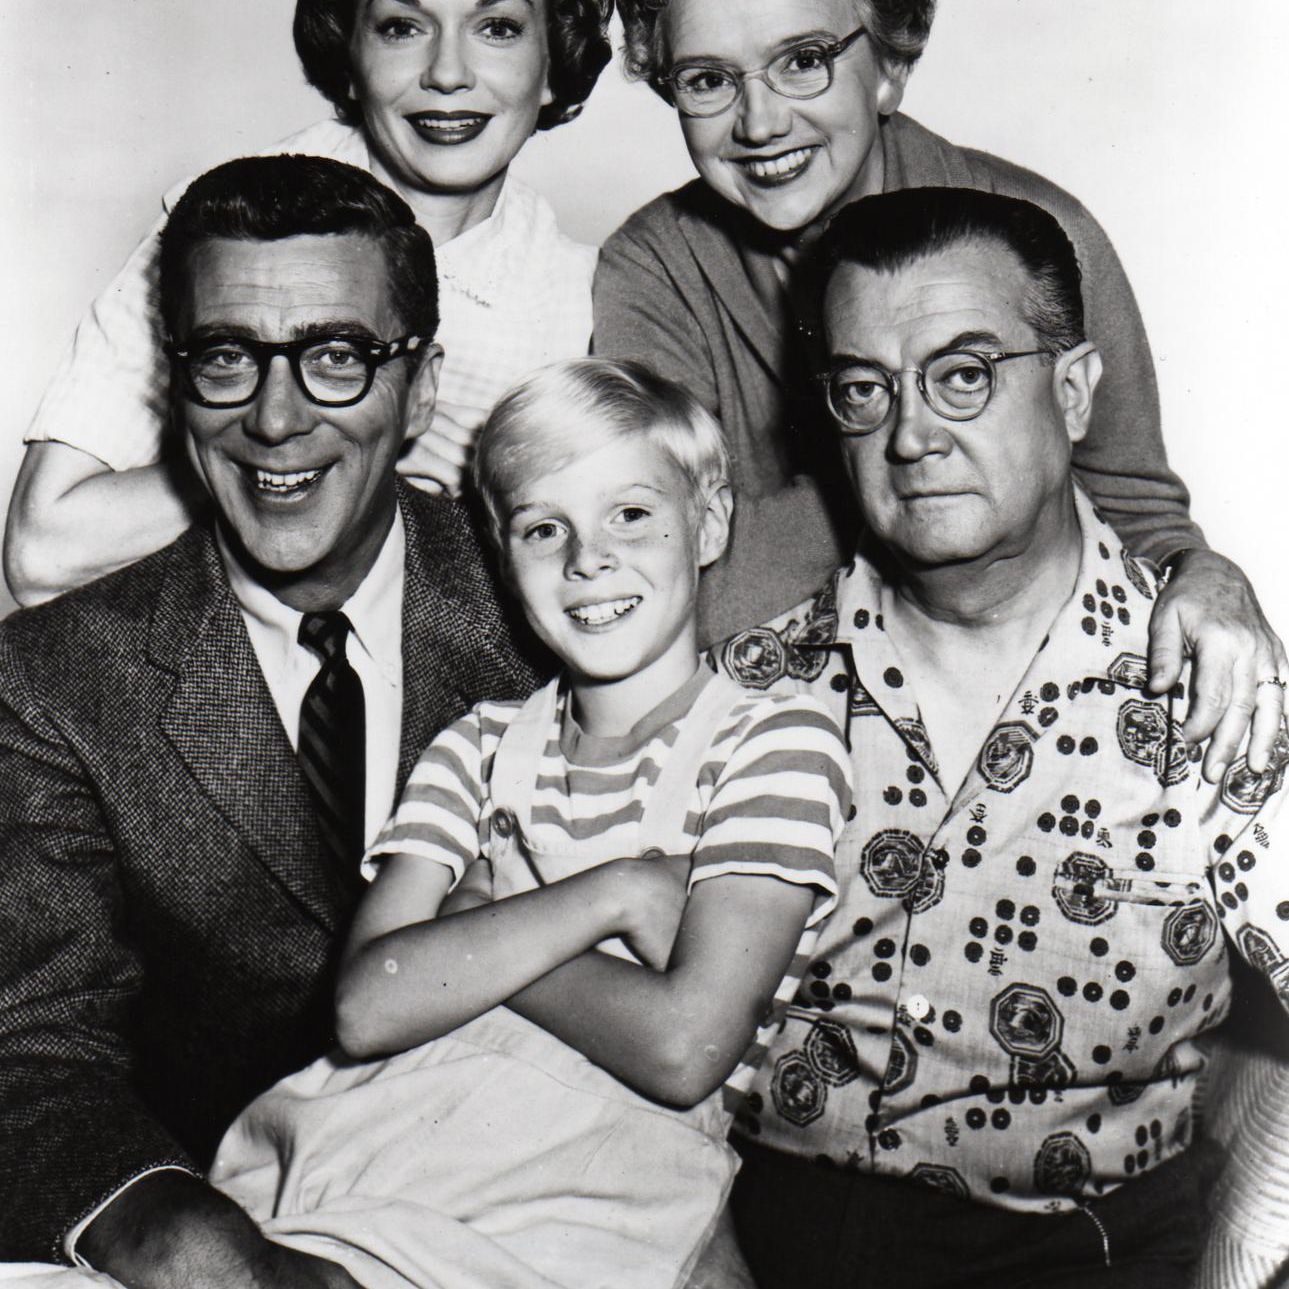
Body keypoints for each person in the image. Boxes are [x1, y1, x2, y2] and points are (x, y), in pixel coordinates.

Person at [707, 186, 1289, 1288]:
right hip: (750, 1235)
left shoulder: (1214, 692)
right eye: (864, 389)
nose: (910, 434)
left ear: (1072, 392)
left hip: (1074, 1252)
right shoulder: (746, 689)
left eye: (963, 374)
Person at [0, 154, 541, 1287]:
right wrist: (205, 1251)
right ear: (176, 387)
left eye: (337, 356)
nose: (276, 418)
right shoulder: (50, 682)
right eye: (227, 357)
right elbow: (31, 1053)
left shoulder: (550, 610)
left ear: (422, 390)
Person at [597, 0, 1287, 784]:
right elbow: (664, 581)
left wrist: (1203, 571)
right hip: (785, 712)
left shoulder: (1035, 234)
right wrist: (950, 498)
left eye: (804, 60)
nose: (759, 122)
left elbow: (1134, 509)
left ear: (889, 66)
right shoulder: (650, 270)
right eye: (706, 79)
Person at [5, 0, 611, 605]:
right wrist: (365, 455)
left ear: (554, 64)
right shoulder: (220, 228)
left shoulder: (578, 295)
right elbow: (43, 554)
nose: (448, 73)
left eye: (498, 28)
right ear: (349, 58)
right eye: (401, 27)